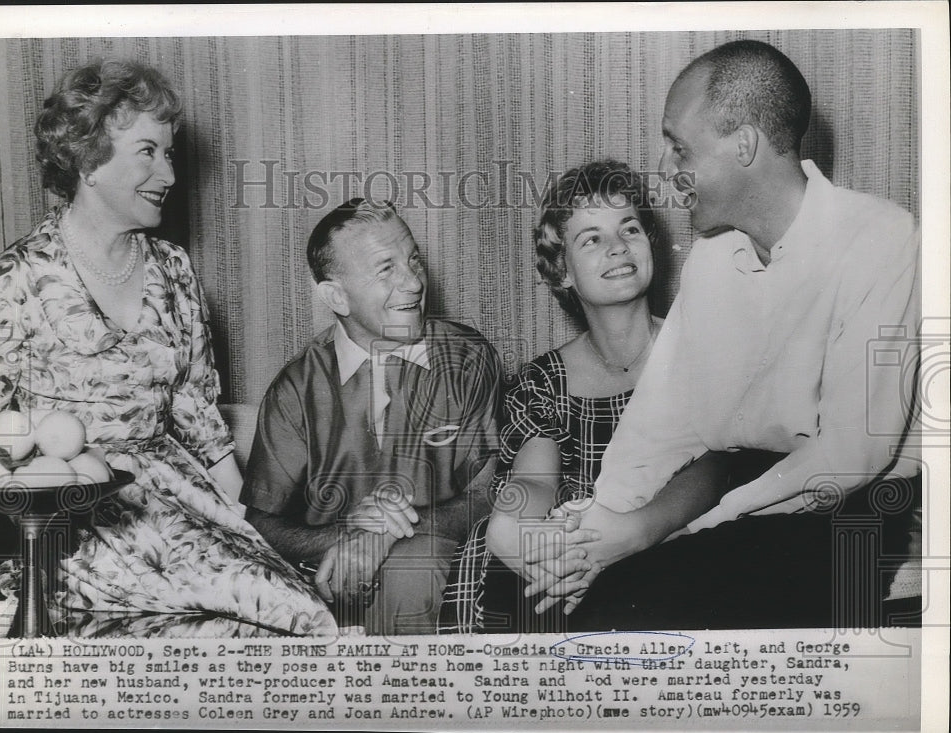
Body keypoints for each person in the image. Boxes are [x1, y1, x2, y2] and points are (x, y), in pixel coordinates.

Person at [534, 39, 921, 629]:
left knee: (635, 619)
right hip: (733, 490)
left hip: (846, 506)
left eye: (679, 147)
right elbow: (658, 426)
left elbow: (849, 455)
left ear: (744, 146)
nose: (666, 169)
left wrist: (695, 523)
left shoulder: (882, 240)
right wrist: (601, 528)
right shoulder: (712, 261)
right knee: (586, 613)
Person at [0, 59, 335, 637]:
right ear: (89, 160)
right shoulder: (11, 281)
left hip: (178, 501)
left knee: (295, 607)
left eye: (169, 154)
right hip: (77, 515)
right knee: (290, 614)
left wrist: (250, 529)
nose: (167, 172)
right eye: (148, 152)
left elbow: (198, 416)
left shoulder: (173, 268)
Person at [438, 160, 730, 634]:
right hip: (576, 550)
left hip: (675, 535)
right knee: (509, 584)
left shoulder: (701, 350)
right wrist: (513, 531)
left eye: (629, 228)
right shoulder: (544, 381)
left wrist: (634, 532)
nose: (617, 247)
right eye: (591, 238)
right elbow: (535, 481)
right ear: (562, 272)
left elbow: (718, 466)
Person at [241, 198, 501, 635]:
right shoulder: (296, 388)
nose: (414, 283)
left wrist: (389, 534)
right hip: (331, 588)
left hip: (437, 584)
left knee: (414, 567)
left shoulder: (470, 359)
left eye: (413, 259)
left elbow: (489, 490)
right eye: (386, 269)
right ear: (336, 296)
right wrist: (346, 538)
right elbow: (261, 524)